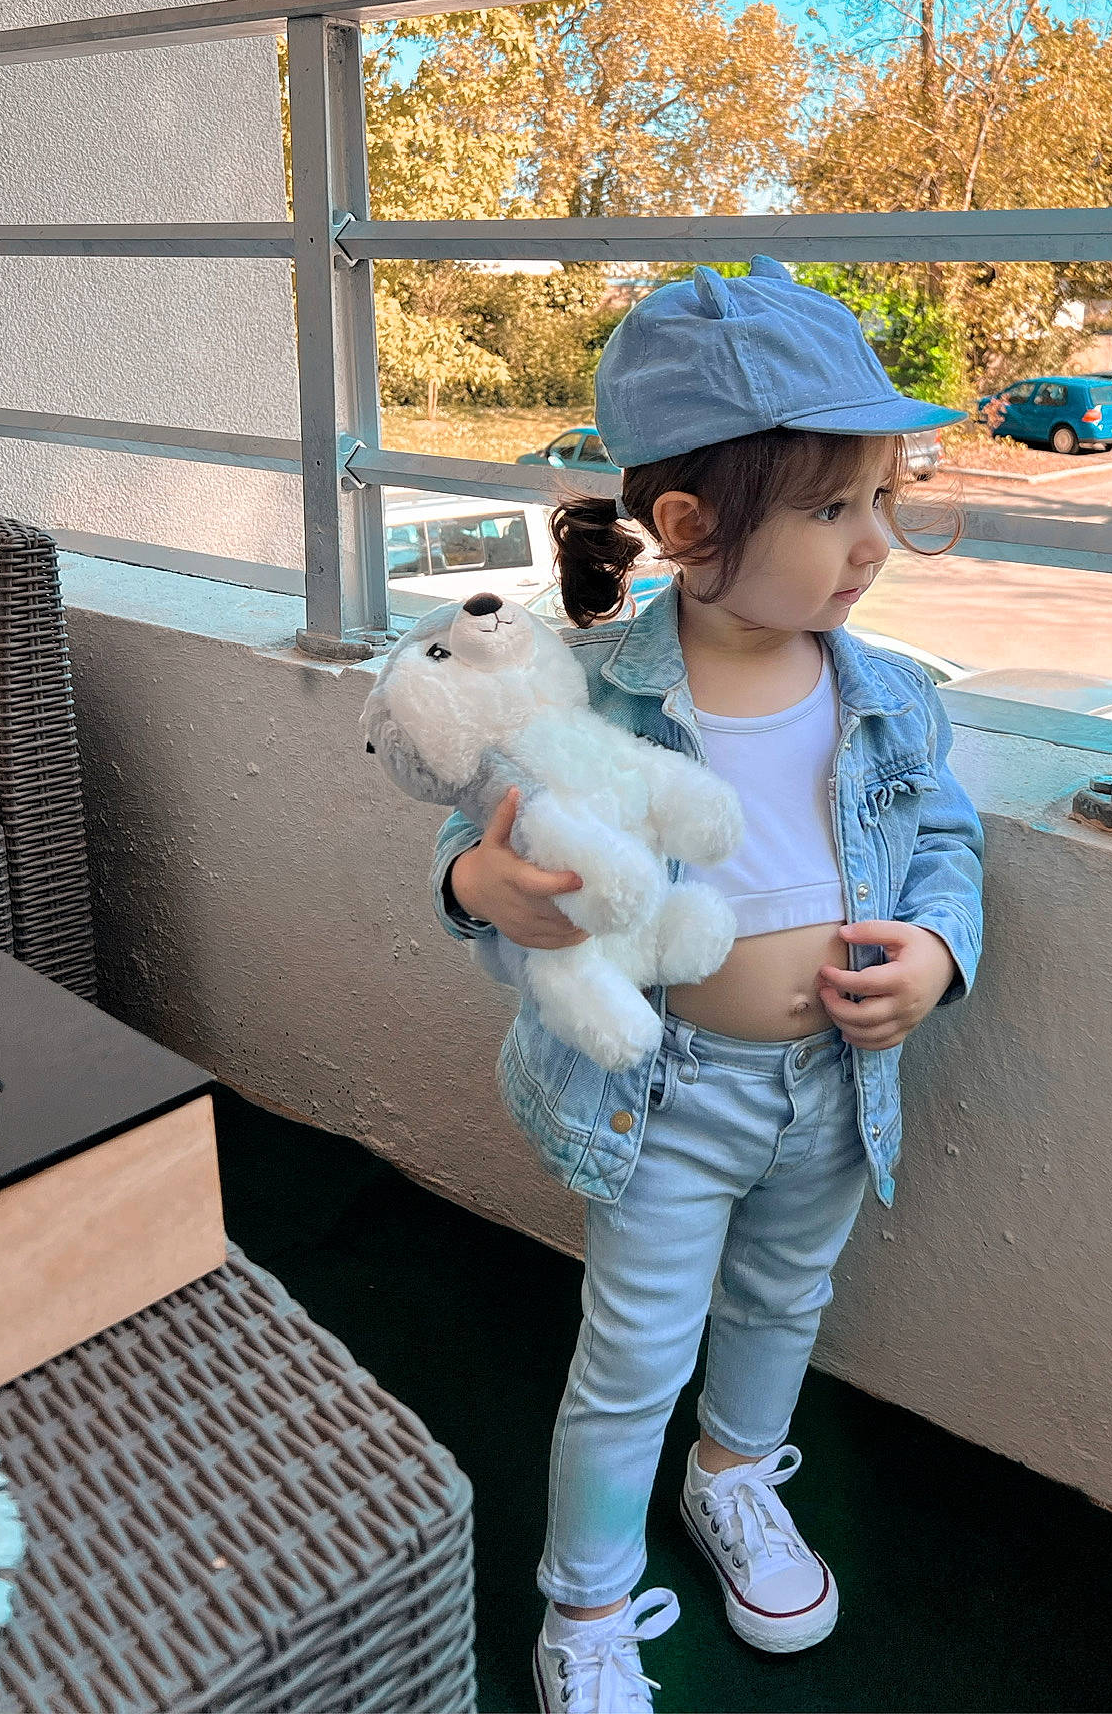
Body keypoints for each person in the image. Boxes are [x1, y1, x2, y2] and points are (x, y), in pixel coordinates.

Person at [431, 256, 985, 1713]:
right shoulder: (586, 688)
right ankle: (591, 1602)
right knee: (630, 1357)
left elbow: (943, 841)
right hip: (661, 1101)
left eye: (881, 497)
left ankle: (735, 1479)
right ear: (688, 527)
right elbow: (469, 839)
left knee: (781, 1307)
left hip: (838, 1090)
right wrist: (480, 888)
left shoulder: (888, 691)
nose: (871, 542)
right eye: (829, 506)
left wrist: (936, 953)